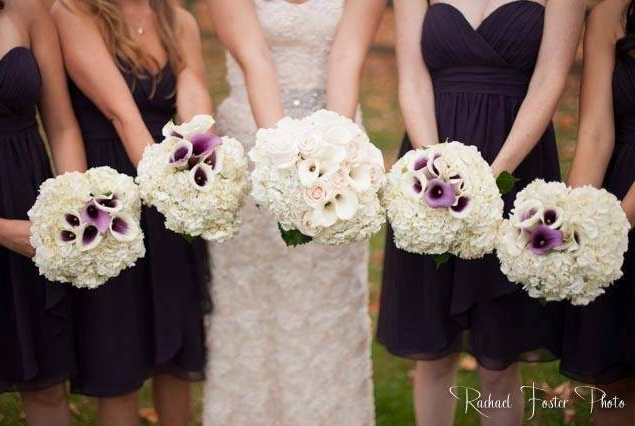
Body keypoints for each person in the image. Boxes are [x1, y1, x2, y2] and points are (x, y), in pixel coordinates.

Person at [377, 1, 584, 424]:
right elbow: (413, 77)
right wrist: (433, 169)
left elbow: (549, 80)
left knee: (499, 362)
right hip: (430, 170)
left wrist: (490, 181)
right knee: (432, 355)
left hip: (517, 165)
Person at [202, 0, 384, 424]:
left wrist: (333, 160)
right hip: (255, 146)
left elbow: (347, 55)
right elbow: (255, 58)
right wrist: (285, 166)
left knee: (327, 306)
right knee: (252, 308)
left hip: (338, 143)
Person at [51, 0, 211, 424]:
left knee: (177, 355)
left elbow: (194, 99)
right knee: (117, 357)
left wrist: (202, 163)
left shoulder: (178, 20)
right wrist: (169, 189)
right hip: (110, 201)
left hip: (168, 189)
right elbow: (121, 113)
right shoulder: (72, 13)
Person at [0, 0, 87, 424]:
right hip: (5, 227)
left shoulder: (27, 9)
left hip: (30, 210)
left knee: (48, 386)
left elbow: (63, 126)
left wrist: (72, 215)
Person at [562, 0, 635, 423]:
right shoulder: (612, 12)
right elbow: (594, 132)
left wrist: (613, 227)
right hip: (619, 194)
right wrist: (571, 230)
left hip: (623, 214)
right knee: (614, 386)